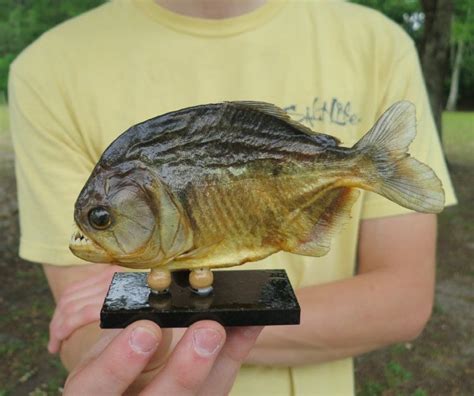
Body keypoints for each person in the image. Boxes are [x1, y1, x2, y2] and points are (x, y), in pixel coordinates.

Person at [9, 0, 457, 394]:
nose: (94, 228)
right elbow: (82, 324)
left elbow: (403, 302)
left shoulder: (377, 42)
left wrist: (171, 326)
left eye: (101, 218)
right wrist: (132, 363)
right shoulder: (46, 69)